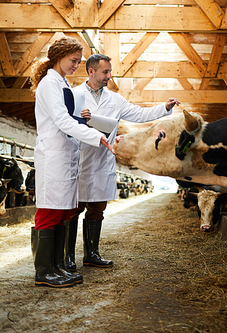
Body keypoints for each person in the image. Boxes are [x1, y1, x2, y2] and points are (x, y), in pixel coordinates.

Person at [63, 54, 180, 272]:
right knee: (73, 210)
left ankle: (92, 254)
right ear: (91, 72)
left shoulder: (115, 99)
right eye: (105, 72)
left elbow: (139, 113)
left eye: (109, 71)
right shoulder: (73, 94)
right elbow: (62, 121)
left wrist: (164, 107)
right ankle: (68, 256)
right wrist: (79, 119)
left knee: (97, 209)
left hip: (102, 162)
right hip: (78, 160)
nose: (109, 76)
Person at [30, 38, 115, 288]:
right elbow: (61, 121)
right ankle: (43, 272)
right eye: (73, 60)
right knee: (49, 211)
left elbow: (69, 119)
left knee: (63, 211)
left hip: (66, 155)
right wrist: (96, 136)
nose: (76, 65)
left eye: (78, 61)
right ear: (58, 56)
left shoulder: (62, 83)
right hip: (53, 155)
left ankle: (56, 267)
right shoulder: (49, 84)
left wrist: (87, 122)